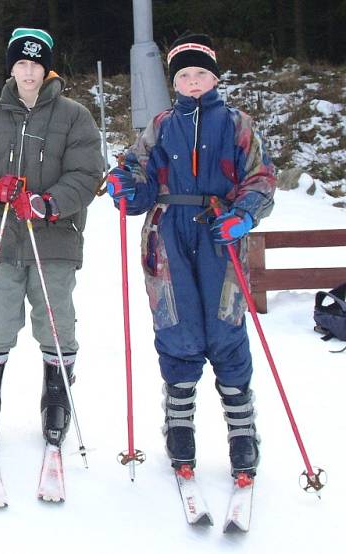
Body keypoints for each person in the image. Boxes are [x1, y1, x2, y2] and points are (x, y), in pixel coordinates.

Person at [106, 33, 276, 479]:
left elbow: (260, 177)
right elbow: (137, 177)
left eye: (201, 73)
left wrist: (244, 215)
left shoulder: (237, 124)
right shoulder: (161, 125)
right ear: (174, 81)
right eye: (185, 74)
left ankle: (242, 429)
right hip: (169, 234)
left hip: (221, 233)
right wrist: (125, 186)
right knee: (177, 323)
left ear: (214, 77)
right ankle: (179, 423)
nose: (194, 82)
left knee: (225, 325)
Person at [0, 28, 104, 448]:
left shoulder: (74, 115)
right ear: (12, 67)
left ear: (46, 68)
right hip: (4, 235)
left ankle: (56, 394)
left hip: (56, 237)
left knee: (55, 316)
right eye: (21, 63)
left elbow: (86, 173)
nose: (28, 71)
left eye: (35, 64)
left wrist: (49, 202)